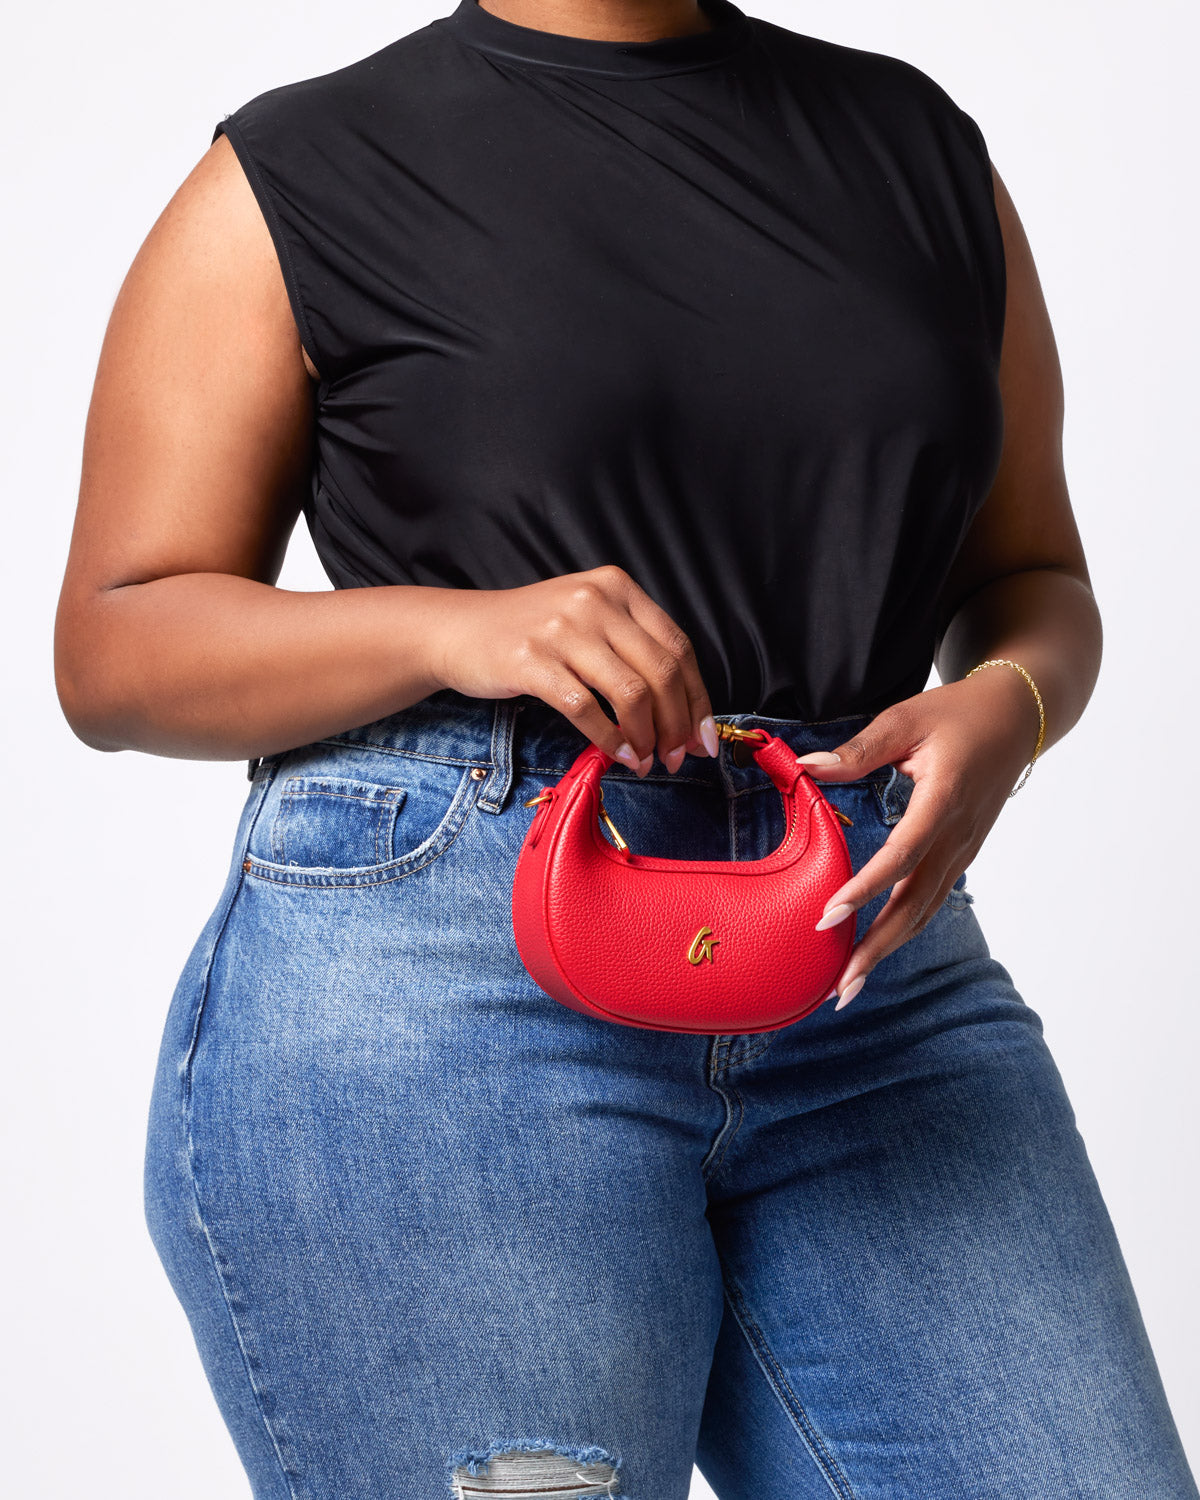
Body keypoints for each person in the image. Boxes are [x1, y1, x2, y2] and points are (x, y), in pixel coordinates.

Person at [54, 1, 1197, 1496]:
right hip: (444, 1003)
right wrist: (456, 630)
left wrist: (1012, 705)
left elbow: (1036, 576)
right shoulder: (302, 169)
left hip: (869, 973)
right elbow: (114, 647)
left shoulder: (920, 150)